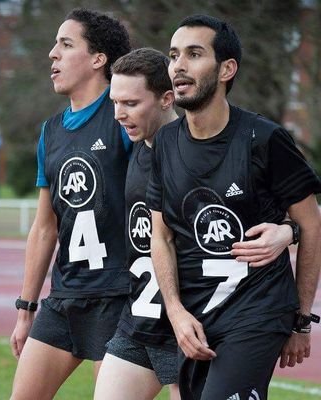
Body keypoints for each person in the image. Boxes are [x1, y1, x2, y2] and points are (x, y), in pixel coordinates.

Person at [94, 49, 300, 400]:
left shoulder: (206, 150)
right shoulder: (134, 148)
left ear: (167, 99)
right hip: (140, 320)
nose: (118, 114)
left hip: (196, 323)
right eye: (114, 102)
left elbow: (289, 212)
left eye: (130, 102)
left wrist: (288, 231)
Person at [147, 14, 321, 400]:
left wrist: (302, 321)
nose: (178, 65)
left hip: (257, 311)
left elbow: (311, 223)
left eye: (194, 54)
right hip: (195, 316)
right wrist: (175, 311)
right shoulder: (164, 143)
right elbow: (161, 236)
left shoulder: (265, 139)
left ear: (227, 69)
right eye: (174, 55)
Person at [9, 8, 132, 400]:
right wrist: (26, 308)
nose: (52, 54)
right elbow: (45, 227)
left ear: (98, 60)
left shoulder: (126, 117)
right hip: (64, 298)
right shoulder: (51, 131)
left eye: (65, 44)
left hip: (121, 296)